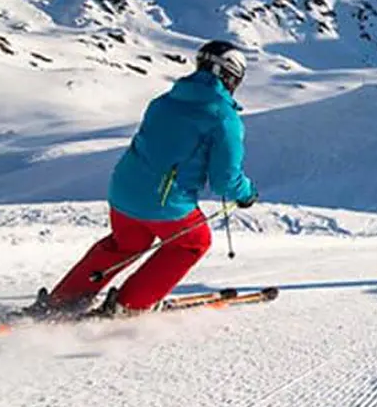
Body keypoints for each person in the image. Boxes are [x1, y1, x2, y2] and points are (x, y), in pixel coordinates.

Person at [28, 40, 259, 317]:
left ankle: (62, 301)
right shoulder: (224, 118)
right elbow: (224, 180)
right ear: (229, 76)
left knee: (126, 244)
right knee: (192, 242)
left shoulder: (165, 100)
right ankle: (130, 305)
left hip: (123, 190)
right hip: (164, 202)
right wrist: (246, 193)